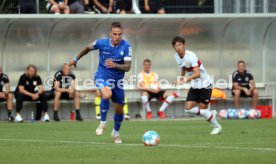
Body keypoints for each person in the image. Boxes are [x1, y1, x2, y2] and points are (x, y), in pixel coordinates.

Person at [69, 22, 132, 144]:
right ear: (110, 34)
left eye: (119, 34)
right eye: (115, 34)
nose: (117, 37)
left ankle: (115, 133)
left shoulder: (126, 46)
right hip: (101, 76)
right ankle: (102, 124)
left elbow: (128, 67)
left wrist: (115, 65)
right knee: (106, 94)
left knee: (120, 111)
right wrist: (76, 59)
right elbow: (87, 48)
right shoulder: (101, 43)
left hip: (117, 81)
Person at [172, 36, 222, 135]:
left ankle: (216, 126)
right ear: (174, 47)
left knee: (204, 111)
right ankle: (212, 116)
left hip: (205, 84)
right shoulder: (176, 57)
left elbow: (197, 73)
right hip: (195, 85)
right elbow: (183, 67)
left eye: (180, 45)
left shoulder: (191, 56)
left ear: (184, 45)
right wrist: (181, 78)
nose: (178, 47)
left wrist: (185, 79)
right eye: (176, 45)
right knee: (188, 108)